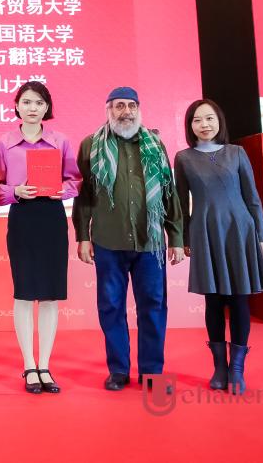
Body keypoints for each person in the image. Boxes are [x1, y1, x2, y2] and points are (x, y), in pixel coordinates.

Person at [73, 86, 184, 391]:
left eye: (131, 105)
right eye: (119, 106)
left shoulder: (155, 145)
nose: (126, 112)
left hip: (151, 243)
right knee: (111, 306)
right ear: (108, 110)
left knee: (153, 307)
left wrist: (176, 237)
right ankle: (118, 370)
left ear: (138, 109)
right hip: (108, 241)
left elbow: (169, 192)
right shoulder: (90, 145)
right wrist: (83, 235)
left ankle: (152, 372)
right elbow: (84, 196)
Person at [174, 99, 263, 394]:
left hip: (239, 232)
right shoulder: (183, 158)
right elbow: (180, 203)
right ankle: (219, 367)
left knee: (240, 301)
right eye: (197, 120)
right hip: (205, 233)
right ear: (190, 126)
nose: (204, 125)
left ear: (219, 121)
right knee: (214, 301)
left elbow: (252, 198)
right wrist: (184, 239)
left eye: (209, 118)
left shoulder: (237, 153)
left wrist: (262, 235)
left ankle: (237, 369)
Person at [0, 81, 80, 394]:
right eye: (27, 102)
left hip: (52, 218)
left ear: (47, 107)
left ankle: (45, 365)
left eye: (39, 103)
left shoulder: (60, 141)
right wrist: (15, 191)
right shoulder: (4, 142)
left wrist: (61, 190)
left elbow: (75, 180)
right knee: (25, 293)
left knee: (50, 295)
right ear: (17, 106)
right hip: (22, 217)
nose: (32, 108)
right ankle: (29, 364)